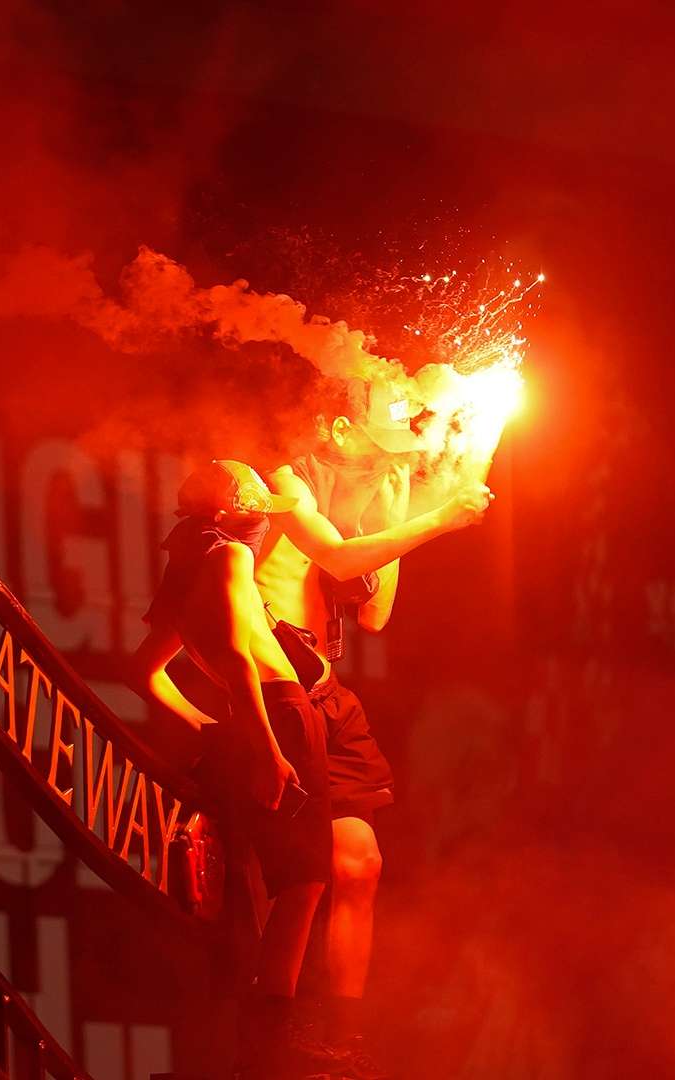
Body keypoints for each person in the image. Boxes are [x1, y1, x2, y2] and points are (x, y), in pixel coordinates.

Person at [131, 460, 484, 1077]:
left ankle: (284, 1032)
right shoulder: (231, 557)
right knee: (302, 882)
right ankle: (272, 1034)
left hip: (281, 714)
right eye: (253, 494)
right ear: (226, 508)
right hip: (286, 714)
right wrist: (264, 746)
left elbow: (143, 670)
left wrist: (210, 729)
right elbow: (242, 658)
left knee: (311, 877)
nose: (267, 503)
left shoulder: (186, 561)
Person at [254, 378, 492, 1077]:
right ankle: (272, 1025)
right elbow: (335, 559)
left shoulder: (370, 490)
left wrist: (399, 510)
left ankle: (342, 1037)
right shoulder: (284, 483)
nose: (405, 435)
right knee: (296, 878)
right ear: (338, 429)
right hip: (272, 697)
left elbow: (373, 615)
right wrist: (440, 519)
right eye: (386, 421)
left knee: (361, 864)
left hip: (327, 694)